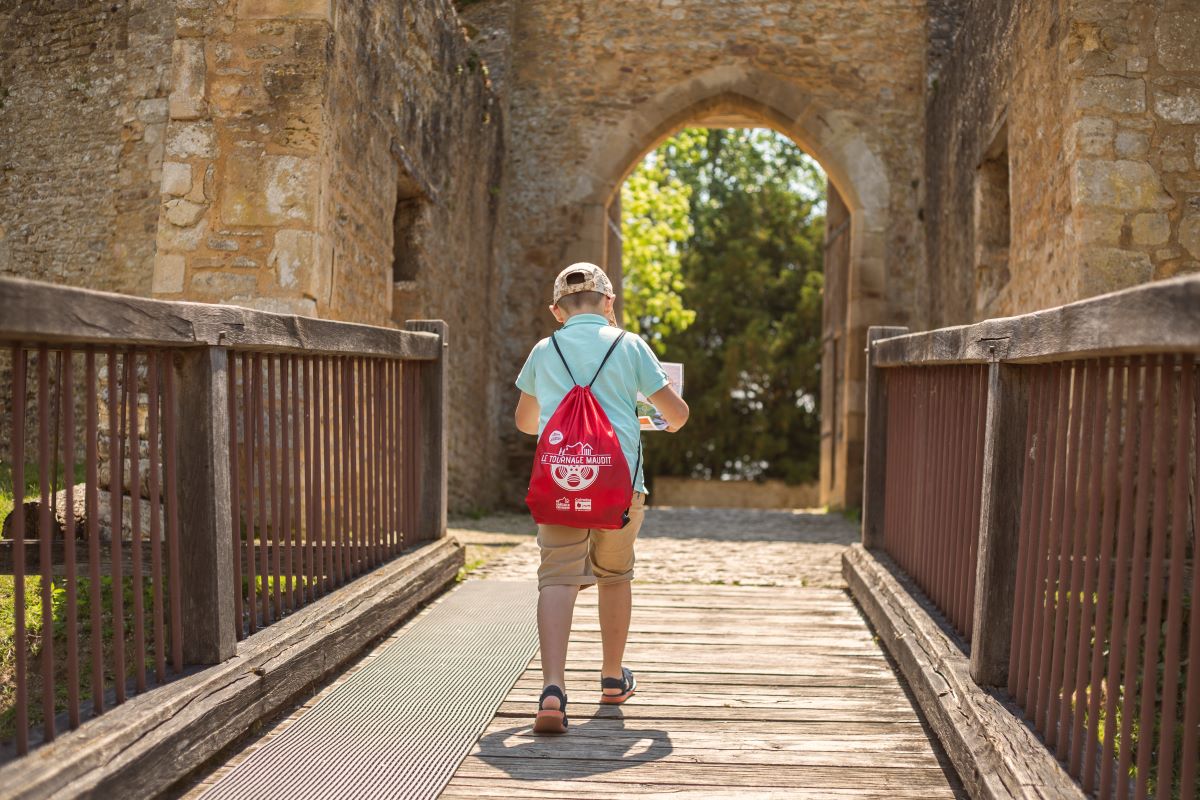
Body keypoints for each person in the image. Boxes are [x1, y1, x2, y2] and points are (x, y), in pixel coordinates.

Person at [514, 262, 689, 733]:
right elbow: (677, 414)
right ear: (609, 303)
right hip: (620, 489)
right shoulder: (630, 345)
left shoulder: (543, 350)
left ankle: (552, 688)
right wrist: (642, 410)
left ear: (556, 310)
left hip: (561, 483)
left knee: (557, 576)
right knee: (615, 575)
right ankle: (612, 678)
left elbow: (527, 423)